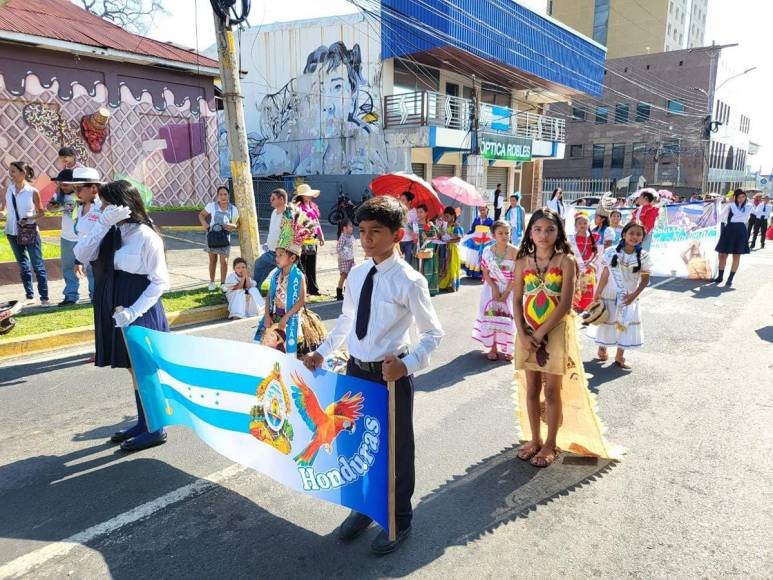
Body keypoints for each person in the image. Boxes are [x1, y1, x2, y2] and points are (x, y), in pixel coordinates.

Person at [304, 196, 443, 555]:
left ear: (397, 235)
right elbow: (347, 322)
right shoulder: (358, 274)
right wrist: (321, 353)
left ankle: (399, 518)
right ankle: (364, 509)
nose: (366, 239)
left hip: (390, 376)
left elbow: (432, 334)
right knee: (356, 446)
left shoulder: (409, 281)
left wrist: (407, 364)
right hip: (355, 373)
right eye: (363, 231)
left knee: (396, 451)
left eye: (375, 232)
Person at [74, 180, 169, 452]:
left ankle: (156, 429)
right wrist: (102, 223)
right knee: (133, 368)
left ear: (122, 204)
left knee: (144, 369)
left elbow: (160, 282)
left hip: (140, 308)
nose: (102, 208)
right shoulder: (110, 231)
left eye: (106, 204)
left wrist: (133, 312)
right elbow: (81, 253)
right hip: (117, 308)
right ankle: (144, 422)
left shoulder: (146, 235)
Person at [513, 207, 577, 467]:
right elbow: (516, 299)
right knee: (531, 389)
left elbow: (565, 304)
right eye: (537, 229)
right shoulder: (522, 261)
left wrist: (539, 334)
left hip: (554, 333)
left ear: (558, 232)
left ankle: (551, 443)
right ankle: (534, 439)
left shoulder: (565, 261)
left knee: (551, 391)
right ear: (529, 232)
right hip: (526, 333)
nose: (543, 234)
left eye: (550, 229)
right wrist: (523, 333)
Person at [593, 222, 652, 370]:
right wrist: (598, 292)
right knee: (607, 321)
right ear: (624, 235)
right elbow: (605, 274)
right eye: (631, 233)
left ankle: (619, 356)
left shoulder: (643, 256)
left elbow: (645, 280)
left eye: (639, 234)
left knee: (624, 326)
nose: (634, 236)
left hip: (628, 297)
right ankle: (602, 348)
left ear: (643, 238)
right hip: (610, 294)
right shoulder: (611, 251)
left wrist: (633, 296)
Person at [254, 211, 309, 354]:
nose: (276, 258)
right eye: (276, 255)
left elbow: (301, 300)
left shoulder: (298, 276)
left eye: (280, 255)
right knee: (265, 348)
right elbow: (269, 297)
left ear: (292, 258)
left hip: (289, 318)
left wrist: (285, 318)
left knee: (284, 353)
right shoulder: (276, 275)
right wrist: (266, 315)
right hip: (274, 316)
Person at [0, 161, 50, 306]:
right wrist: (3, 214)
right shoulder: (9, 189)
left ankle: (44, 297)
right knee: (23, 265)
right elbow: (5, 209)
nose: (11, 174)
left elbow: (41, 213)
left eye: (14, 171)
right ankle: (30, 296)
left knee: (37, 264)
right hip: (11, 231)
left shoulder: (32, 191)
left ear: (23, 173)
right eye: (10, 171)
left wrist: (29, 219)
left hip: (28, 230)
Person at [473, 220, 516, 361]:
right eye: (500, 233)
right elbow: (485, 274)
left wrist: (506, 293)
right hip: (491, 288)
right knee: (491, 316)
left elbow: (516, 276)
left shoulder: (515, 251)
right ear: (493, 235)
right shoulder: (487, 251)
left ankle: (509, 348)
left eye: (507, 233)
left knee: (508, 318)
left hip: (509, 289)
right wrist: (495, 289)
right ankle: (492, 347)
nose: (504, 236)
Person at [67, 167, 104, 301]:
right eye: (74, 188)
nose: (76, 192)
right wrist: (80, 260)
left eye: (79, 188)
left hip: (102, 260)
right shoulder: (81, 206)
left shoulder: (103, 207)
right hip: (90, 259)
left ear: (94, 188)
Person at [47, 168, 82, 306]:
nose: (62, 186)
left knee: (91, 268)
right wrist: (56, 205)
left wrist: (61, 206)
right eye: (60, 184)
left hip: (83, 237)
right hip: (67, 237)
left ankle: (94, 294)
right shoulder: (59, 195)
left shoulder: (81, 194)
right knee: (68, 268)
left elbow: (73, 207)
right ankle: (71, 296)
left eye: (65, 184)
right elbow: (50, 208)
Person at [200, 186, 240, 291]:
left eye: (225, 194)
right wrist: (204, 224)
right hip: (212, 236)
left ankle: (223, 283)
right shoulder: (211, 206)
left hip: (225, 237)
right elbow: (201, 215)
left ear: (228, 195)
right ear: (217, 196)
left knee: (224, 261)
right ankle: (212, 282)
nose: (223, 197)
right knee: (212, 260)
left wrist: (233, 226)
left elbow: (238, 223)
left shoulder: (233, 209)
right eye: (221, 194)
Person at [714, 188, 752, 287]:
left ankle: (730, 278)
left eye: (743, 196)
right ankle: (720, 276)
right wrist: (717, 204)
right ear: (735, 197)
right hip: (729, 229)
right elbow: (720, 217)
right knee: (722, 254)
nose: (741, 199)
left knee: (736, 255)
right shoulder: (730, 205)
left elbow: (741, 216)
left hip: (740, 231)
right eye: (739, 197)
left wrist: (731, 204)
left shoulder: (748, 205)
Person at [253, 188, 289, 291]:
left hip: (282, 254)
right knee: (259, 264)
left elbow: (289, 235)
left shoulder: (288, 214)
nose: (270, 200)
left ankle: (286, 297)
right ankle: (254, 290)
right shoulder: (274, 212)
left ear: (281, 199)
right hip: (271, 251)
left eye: (273, 198)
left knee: (284, 278)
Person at [294, 183, 324, 295]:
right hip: (302, 238)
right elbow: (296, 223)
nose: (310, 196)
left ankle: (313, 288)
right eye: (307, 195)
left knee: (311, 263)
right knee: (302, 264)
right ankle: (303, 289)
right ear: (302, 196)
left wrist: (321, 236)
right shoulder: (297, 208)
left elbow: (316, 222)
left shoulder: (312, 206)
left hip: (313, 238)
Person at [570, 214, 598, 312]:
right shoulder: (570, 239)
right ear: (575, 225)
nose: (582, 225)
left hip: (587, 268)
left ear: (589, 225)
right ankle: (575, 309)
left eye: (585, 223)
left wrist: (592, 262)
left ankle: (586, 310)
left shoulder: (593, 237)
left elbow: (595, 253)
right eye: (580, 223)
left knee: (587, 291)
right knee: (575, 289)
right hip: (574, 269)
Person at [412, 204, 439, 296]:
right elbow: (414, 237)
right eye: (418, 212)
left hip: (427, 248)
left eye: (421, 212)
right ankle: (418, 289)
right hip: (418, 248)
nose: (419, 214)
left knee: (428, 268)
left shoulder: (430, 224)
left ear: (426, 213)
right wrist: (414, 237)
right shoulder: (414, 225)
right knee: (417, 268)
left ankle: (428, 289)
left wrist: (427, 237)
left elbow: (436, 236)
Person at [461, 205, 494, 279]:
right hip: (476, 241)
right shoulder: (476, 220)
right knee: (475, 256)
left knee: (485, 256)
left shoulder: (490, 220)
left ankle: (484, 272)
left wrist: (488, 233)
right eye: (481, 210)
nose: (482, 211)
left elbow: (493, 231)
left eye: (483, 210)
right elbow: (472, 230)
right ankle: (475, 272)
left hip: (486, 241)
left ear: (487, 210)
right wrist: (466, 235)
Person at [438, 206, 464, 292]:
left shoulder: (456, 226)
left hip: (453, 249)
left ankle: (452, 286)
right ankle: (444, 284)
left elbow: (459, 238)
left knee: (452, 267)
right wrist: (440, 235)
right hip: (445, 248)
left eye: (447, 216)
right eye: (445, 216)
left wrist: (449, 241)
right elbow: (441, 235)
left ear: (453, 216)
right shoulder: (444, 225)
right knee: (445, 266)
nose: (445, 218)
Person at [336, 218, 355, 300]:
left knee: (350, 275)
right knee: (343, 275)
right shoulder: (342, 237)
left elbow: (353, 247)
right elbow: (338, 249)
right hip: (344, 260)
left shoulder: (350, 236)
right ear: (344, 228)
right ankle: (339, 293)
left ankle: (348, 291)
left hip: (350, 259)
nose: (352, 228)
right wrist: (345, 252)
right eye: (350, 226)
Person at [398, 192, 418, 265]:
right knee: (397, 261)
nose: (401, 201)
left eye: (403, 200)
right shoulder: (399, 211)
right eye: (400, 199)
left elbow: (416, 227)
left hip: (409, 241)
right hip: (399, 240)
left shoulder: (414, 212)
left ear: (409, 202)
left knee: (408, 262)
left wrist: (411, 226)